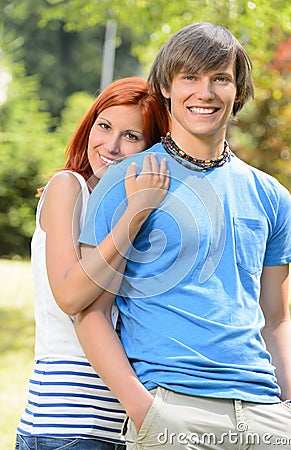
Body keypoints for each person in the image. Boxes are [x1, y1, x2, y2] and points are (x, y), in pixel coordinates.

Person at [76, 22, 291, 449]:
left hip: (269, 418)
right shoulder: (127, 180)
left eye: (220, 78)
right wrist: (146, 412)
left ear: (238, 89)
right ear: (165, 85)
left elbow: (277, 321)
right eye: (190, 78)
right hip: (174, 411)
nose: (206, 93)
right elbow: (91, 313)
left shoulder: (270, 194)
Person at [15, 77, 170, 450]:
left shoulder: (130, 210)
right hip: (66, 424)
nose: (112, 146)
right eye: (104, 126)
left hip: (121, 426)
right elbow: (70, 296)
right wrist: (135, 212)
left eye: (131, 136)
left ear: (151, 148)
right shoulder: (69, 189)